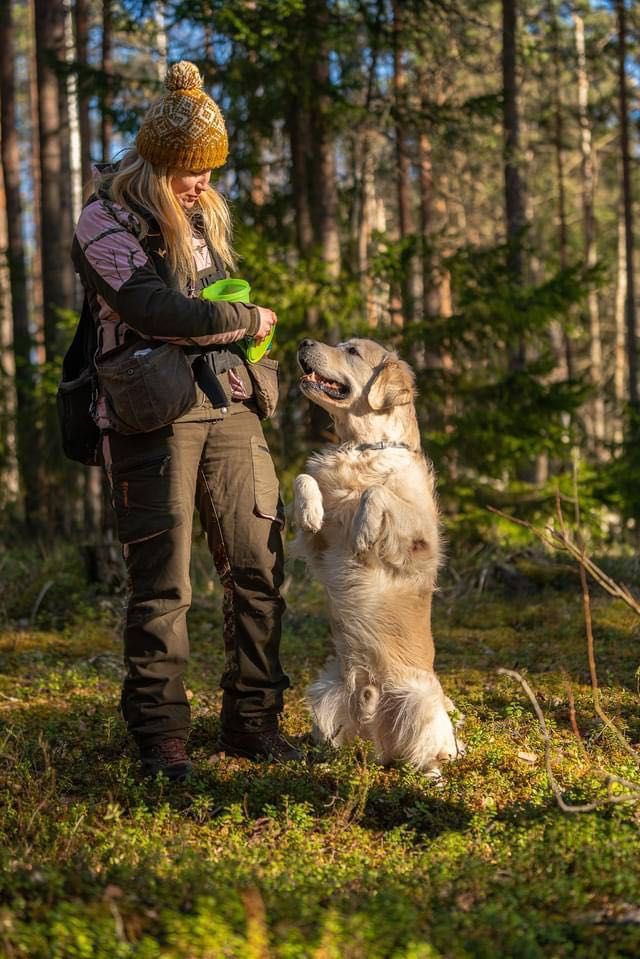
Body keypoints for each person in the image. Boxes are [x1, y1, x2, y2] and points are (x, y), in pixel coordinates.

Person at [72, 60, 299, 780]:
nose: (200, 185)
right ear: (154, 162)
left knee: (260, 563)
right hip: (149, 412)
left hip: (226, 399)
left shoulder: (205, 210)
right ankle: (161, 736)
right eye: (187, 173)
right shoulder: (100, 218)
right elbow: (150, 308)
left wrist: (239, 331)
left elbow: (203, 308)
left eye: (207, 172)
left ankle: (253, 720)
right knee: (164, 583)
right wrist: (243, 316)